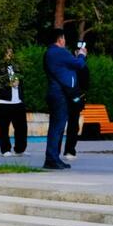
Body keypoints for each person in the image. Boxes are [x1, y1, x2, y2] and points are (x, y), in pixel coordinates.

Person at [43, 28, 87, 169]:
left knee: (56, 127)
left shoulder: (49, 53)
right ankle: (52, 159)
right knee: (58, 127)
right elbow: (79, 64)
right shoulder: (59, 52)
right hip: (60, 95)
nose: (65, 41)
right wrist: (81, 55)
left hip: (56, 93)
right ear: (60, 39)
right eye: (64, 38)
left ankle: (53, 158)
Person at [0, 49, 28, 157]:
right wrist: (9, 84)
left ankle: (19, 149)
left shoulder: (17, 66)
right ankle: (5, 150)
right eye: (7, 52)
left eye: (11, 52)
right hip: (4, 102)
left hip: (18, 101)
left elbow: (22, 80)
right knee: (4, 128)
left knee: (21, 128)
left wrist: (19, 82)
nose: (10, 55)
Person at [63, 52, 90, 161]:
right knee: (67, 125)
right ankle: (67, 151)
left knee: (72, 125)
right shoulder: (68, 64)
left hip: (74, 99)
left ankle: (69, 150)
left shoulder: (82, 67)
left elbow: (85, 84)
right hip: (66, 98)